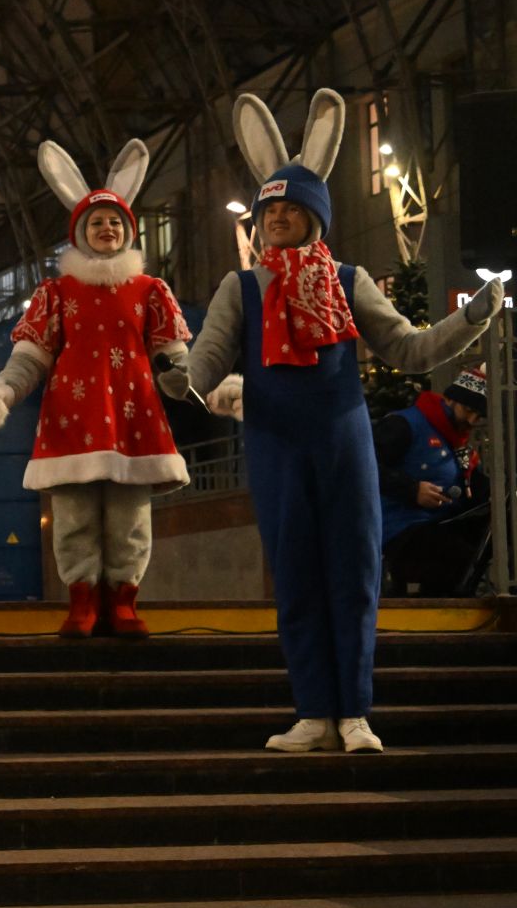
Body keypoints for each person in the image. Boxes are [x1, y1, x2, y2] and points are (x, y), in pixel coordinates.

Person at [171, 89, 503, 753]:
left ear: (315, 217)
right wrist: (172, 376)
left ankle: (355, 714)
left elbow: (407, 348)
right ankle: (313, 713)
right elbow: (202, 366)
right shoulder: (239, 290)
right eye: (271, 210)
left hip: (344, 440)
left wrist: (471, 319)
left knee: (352, 573)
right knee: (295, 575)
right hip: (274, 444)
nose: (278, 219)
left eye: (292, 208)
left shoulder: (349, 283)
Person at [0, 139, 190, 638]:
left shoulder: (149, 292)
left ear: (128, 230)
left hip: (132, 414)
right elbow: (31, 357)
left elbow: (175, 358)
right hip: (73, 417)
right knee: (74, 515)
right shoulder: (55, 294)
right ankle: (83, 601)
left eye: (115, 221)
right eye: (96, 223)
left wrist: (207, 387)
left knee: (129, 517)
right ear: (80, 233)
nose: (107, 228)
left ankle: (123, 601)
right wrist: (6, 390)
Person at [377, 365, 491, 597]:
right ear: (451, 400)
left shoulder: (455, 439)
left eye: (478, 416)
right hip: (400, 528)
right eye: (468, 410)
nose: (471, 420)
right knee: (453, 554)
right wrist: (412, 490)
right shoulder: (405, 425)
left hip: (439, 523)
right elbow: (368, 468)